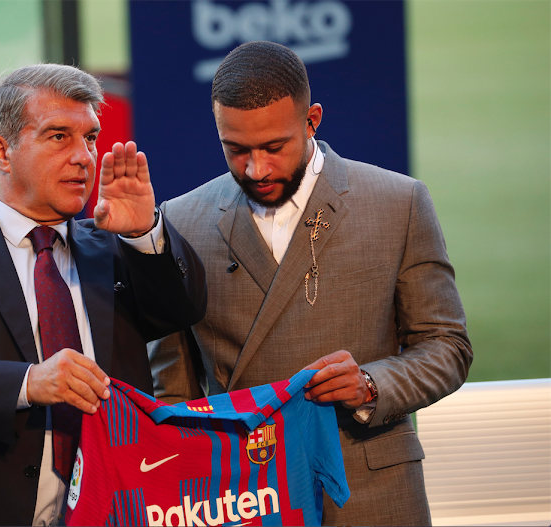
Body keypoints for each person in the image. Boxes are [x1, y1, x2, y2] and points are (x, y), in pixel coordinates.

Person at [0, 64, 207, 526]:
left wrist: (145, 234)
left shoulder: (115, 243)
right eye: (59, 137)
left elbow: (180, 311)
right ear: (1, 151)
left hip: (119, 509)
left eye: (90, 137)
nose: (85, 157)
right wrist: (28, 383)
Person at [148, 41, 472, 526]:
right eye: (236, 150)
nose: (257, 169)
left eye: (274, 147)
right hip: (243, 497)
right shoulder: (181, 220)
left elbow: (447, 346)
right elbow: (173, 387)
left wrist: (369, 383)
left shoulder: (398, 203)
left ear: (312, 120)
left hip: (372, 494)